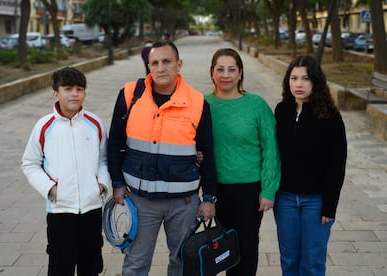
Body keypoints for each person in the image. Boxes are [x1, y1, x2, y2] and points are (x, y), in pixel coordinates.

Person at [107, 40, 217, 275]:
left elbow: (207, 154)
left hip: (184, 204)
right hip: (140, 201)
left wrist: (209, 198)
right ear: (148, 66)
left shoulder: (197, 103)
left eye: (167, 62)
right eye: (154, 63)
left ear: (179, 64)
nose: (160, 68)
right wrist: (117, 183)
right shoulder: (129, 95)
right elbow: (114, 142)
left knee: (182, 263)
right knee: (136, 262)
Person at [21, 67, 110, 276]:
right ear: (56, 93)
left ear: (85, 93)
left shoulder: (95, 123)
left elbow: (104, 159)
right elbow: (30, 163)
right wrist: (51, 189)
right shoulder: (44, 126)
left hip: (91, 210)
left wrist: (101, 186)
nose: (74, 94)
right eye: (68, 89)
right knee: (61, 267)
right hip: (60, 212)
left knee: (91, 267)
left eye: (80, 89)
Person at [204, 48, 281, 276]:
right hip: (216, 189)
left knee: (246, 248)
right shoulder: (202, 105)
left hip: (249, 190)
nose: (225, 75)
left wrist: (269, 189)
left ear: (240, 73)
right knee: (225, 249)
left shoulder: (256, 105)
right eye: (220, 69)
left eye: (231, 69)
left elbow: (272, 149)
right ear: (212, 72)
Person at [274, 55, 347, 276]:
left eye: (305, 78)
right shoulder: (282, 111)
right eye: (294, 78)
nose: (299, 84)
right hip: (285, 199)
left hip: (316, 202)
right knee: (289, 260)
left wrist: (330, 205)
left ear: (315, 82)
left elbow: (337, 163)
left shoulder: (330, 117)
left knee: (312, 263)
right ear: (288, 81)